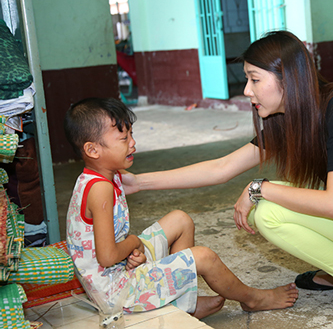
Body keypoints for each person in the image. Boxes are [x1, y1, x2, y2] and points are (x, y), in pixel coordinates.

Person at [122, 30, 333, 329]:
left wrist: (260, 188)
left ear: (287, 78)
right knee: (280, 199)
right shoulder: (292, 117)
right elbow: (222, 167)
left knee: (269, 210)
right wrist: (139, 182)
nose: (246, 90)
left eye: (254, 79)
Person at [63, 97, 299, 319]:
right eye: (124, 139)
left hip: (120, 268)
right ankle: (253, 299)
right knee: (204, 257)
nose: (133, 143)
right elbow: (107, 257)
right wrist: (134, 243)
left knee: (180, 219)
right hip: (117, 291)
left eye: (131, 134)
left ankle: (183, 303)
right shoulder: (99, 189)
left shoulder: (102, 174)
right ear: (93, 150)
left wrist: (131, 251)